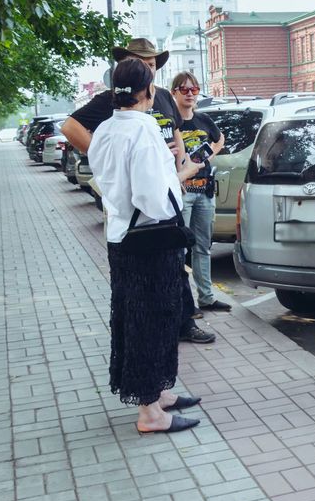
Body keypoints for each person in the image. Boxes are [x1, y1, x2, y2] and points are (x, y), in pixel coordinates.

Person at [62, 37, 217, 345]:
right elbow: (70, 127)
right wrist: (108, 161)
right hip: (143, 206)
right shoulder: (117, 100)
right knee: (145, 288)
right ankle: (154, 346)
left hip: (163, 188)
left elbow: (174, 130)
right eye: (140, 63)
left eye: (151, 64)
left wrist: (180, 160)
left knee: (175, 265)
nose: (147, 68)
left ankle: (182, 323)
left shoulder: (160, 97)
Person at [87, 58, 205, 433]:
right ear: (149, 91)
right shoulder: (144, 130)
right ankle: (150, 413)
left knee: (133, 318)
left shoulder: (106, 128)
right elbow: (153, 197)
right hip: (152, 241)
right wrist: (181, 178)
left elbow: (107, 180)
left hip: (121, 236)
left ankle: (156, 393)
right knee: (154, 321)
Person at [170, 70, 230, 313]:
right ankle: (183, 302)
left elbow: (220, 139)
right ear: (174, 92)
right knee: (179, 249)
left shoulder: (204, 120)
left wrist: (206, 157)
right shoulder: (171, 123)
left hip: (204, 192)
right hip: (182, 192)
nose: (190, 94)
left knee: (203, 247)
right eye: (184, 90)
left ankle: (206, 298)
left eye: (194, 89)